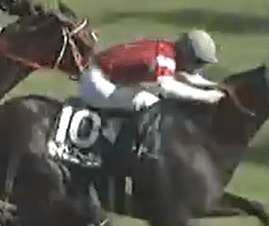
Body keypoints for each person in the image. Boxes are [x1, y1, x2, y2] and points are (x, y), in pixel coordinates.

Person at [76, 30, 225, 142]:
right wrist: (206, 97)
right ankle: (123, 140)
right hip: (96, 84)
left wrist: (214, 86)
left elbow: (183, 77)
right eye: (199, 63)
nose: (199, 68)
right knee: (148, 101)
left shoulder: (167, 49)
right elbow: (168, 87)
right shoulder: (165, 59)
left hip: (103, 76)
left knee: (149, 92)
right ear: (188, 56)